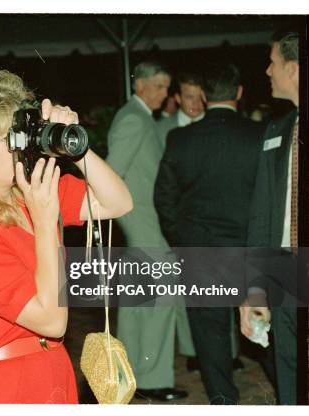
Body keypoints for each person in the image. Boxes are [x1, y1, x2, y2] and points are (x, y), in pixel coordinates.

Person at [0, 70, 132, 403]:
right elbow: (51, 320)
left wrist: (73, 145)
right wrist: (46, 222)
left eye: (23, 134)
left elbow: (117, 202)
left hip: (50, 373)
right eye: (8, 140)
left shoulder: (28, 192)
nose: (22, 147)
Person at [154, 63, 265, 404]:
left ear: (203, 95)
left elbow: (164, 199)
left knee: (210, 333)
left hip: (200, 250)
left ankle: (223, 402)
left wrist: (183, 239)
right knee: (266, 329)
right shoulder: (260, 135)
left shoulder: (181, 139)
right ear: (240, 93)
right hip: (251, 249)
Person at [106, 61, 192, 401]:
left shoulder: (139, 116)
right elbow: (113, 173)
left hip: (141, 222)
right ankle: (152, 379)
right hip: (143, 223)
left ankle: (132, 376)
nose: (164, 93)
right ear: (140, 85)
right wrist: (127, 218)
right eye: (158, 86)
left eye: (165, 87)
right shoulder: (133, 118)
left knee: (138, 303)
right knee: (160, 300)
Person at [240, 30, 301, 405]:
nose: (267, 70)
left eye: (274, 62)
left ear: (294, 68)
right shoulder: (278, 131)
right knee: (289, 374)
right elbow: (261, 217)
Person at [156, 71, 205, 144]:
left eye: (200, 97)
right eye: (190, 97)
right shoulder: (160, 129)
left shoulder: (217, 126)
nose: (196, 103)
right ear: (178, 98)